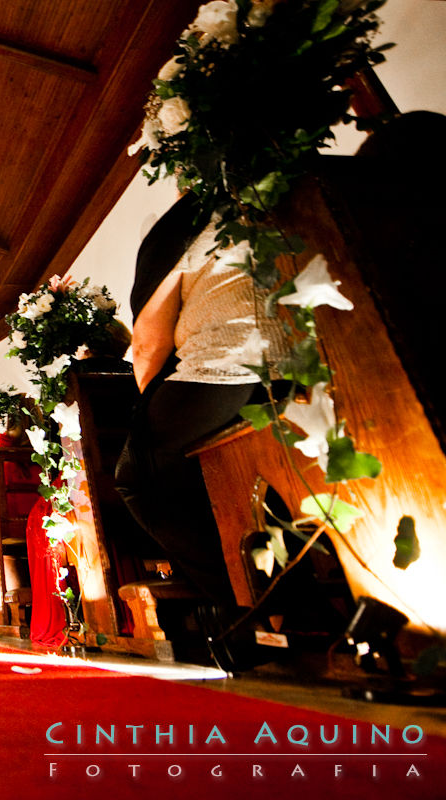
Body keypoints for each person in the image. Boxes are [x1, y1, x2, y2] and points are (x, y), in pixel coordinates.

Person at [114, 194, 288, 606]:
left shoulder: (189, 224)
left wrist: (152, 408)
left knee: (137, 477)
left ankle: (240, 598)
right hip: (310, 367)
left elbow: (146, 346)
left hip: (223, 371)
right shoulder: (293, 192)